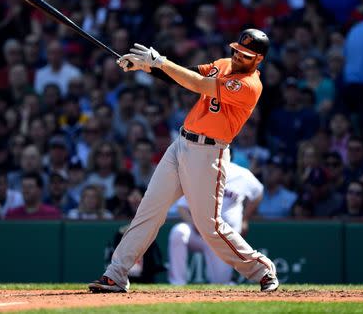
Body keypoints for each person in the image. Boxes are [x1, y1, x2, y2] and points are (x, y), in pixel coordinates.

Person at [88, 29, 279, 293]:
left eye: (245, 55)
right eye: (236, 50)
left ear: (258, 59)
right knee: (148, 211)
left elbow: (200, 85)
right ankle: (116, 274)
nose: (237, 57)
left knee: (209, 225)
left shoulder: (248, 85)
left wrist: (160, 62)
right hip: (181, 144)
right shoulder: (223, 64)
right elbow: (186, 75)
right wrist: (145, 67)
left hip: (208, 154)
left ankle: (261, 268)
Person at [168, 162, 264, 285]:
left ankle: (228, 281)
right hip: (199, 234)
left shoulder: (241, 174)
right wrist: (195, 223)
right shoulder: (200, 173)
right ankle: (177, 283)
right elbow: (182, 206)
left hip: (223, 239)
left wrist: (245, 218)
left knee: (220, 283)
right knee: (179, 232)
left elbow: (258, 192)